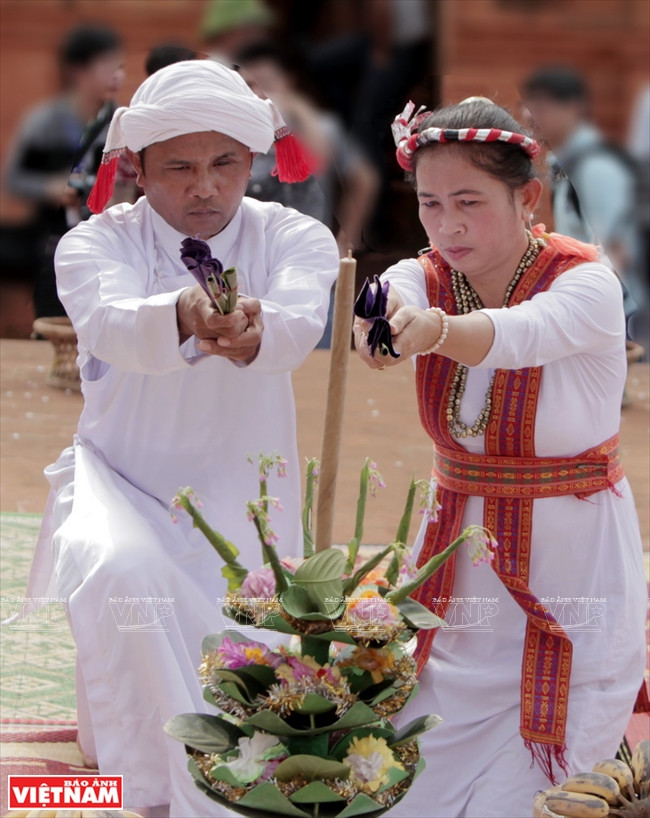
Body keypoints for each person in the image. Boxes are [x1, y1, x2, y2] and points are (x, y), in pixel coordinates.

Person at [25, 59, 339, 817]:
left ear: (255, 160)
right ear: (135, 168)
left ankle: (192, 771)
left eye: (225, 163)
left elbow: (297, 323)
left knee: (249, 684)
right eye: (180, 167)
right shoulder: (94, 245)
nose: (205, 186)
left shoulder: (297, 235)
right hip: (121, 483)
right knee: (123, 573)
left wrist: (257, 327)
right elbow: (109, 324)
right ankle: (148, 789)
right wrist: (185, 316)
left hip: (246, 494)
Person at [353, 98, 646, 817]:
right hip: (457, 564)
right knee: (399, 795)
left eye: (469, 202)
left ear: (528, 198)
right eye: (429, 204)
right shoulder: (424, 276)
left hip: (570, 568)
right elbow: (380, 298)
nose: (448, 225)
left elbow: (517, 335)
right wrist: (380, 323)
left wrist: (433, 330)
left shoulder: (587, 283)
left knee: (537, 799)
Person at [2, 24, 124, 317]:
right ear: (78, 71)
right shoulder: (46, 122)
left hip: (105, 235)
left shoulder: (120, 121)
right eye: (108, 65)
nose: (117, 75)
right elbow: (14, 178)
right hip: (49, 238)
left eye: (120, 66)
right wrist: (51, 188)